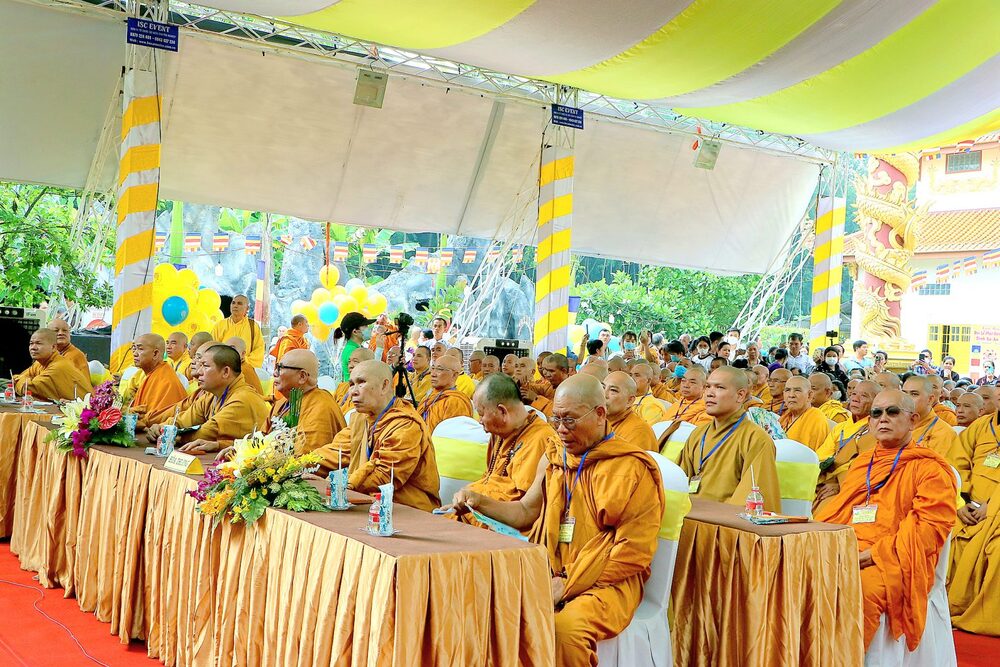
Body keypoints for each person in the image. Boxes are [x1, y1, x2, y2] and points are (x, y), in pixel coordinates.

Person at [446, 374, 664, 665]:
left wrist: (569, 583)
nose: (560, 430)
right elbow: (525, 512)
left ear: (599, 414)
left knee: (565, 629)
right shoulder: (554, 457)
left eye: (570, 421)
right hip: (550, 567)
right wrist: (479, 501)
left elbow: (634, 551)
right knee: (486, 597)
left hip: (607, 583)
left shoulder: (631, 468)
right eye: (556, 419)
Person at [815, 390, 956, 651]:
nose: (883, 419)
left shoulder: (930, 468)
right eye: (876, 413)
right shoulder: (863, 462)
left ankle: (846, 657)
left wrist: (873, 555)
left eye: (892, 412)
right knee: (801, 572)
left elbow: (928, 531)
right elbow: (839, 512)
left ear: (913, 420)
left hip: (891, 558)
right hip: (847, 545)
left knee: (858, 590)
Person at [315, 361, 440, 510]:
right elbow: (335, 452)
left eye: (361, 383)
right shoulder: (362, 420)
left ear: (384, 386)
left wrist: (342, 484)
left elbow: (385, 475)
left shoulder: (406, 425)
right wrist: (297, 466)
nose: (353, 392)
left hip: (405, 509)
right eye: (351, 384)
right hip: (365, 500)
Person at [450, 373, 557, 521]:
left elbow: (522, 506)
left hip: (506, 524)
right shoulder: (499, 434)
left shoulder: (541, 438)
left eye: (481, 414)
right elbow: (488, 479)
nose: (479, 421)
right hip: (481, 512)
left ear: (502, 411)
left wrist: (477, 500)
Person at [677, 366, 780, 510]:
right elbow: (677, 484)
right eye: (707, 387)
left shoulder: (756, 439)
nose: (709, 394)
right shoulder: (698, 434)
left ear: (740, 395)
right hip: (688, 516)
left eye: (719, 387)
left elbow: (751, 500)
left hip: (725, 524)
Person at [149, 344, 269, 452]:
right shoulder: (211, 395)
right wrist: (162, 427)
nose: (198, 372)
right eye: (200, 365)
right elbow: (183, 420)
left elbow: (205, 433)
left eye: (205, 366)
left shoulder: (242, 398)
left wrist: (169, 434)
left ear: (226, 372)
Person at [949, 408, 1000, 635]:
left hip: (996, 510)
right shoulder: (980, 426)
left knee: (996, 549)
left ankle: (982, 616)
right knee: (945, 532)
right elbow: (955, 466)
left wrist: (993, 506)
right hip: (968, 505)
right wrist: (962, 501)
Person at [263, 349, 345, 454]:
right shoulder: (282, 402)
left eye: (280, 368)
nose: (274, 373)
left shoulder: (320, 407)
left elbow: (308, 459)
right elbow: (261, 437)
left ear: (302, 376)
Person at [814, 380, 879, 510]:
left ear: (876, 403)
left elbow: (867, 466)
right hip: (825, 481)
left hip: (850, 485)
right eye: (854, 394)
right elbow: (821, 457)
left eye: (864, 396)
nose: (855, 399)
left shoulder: (876, 431)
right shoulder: (840, 428)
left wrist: (840, 483)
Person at [12, 328, 92, 401]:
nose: (33, 347)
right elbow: (21, 378)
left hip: (84, 412)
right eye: (31, 343)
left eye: (38, 343)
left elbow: (27, 387)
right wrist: (18, 380)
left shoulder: (59, 366)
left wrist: (17, 380)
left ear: (53, 347)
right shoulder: (39, 363)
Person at [130, 334, 187, 428]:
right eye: (134, 348)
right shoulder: (150, 375)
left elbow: (157, 421)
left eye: (140, 349)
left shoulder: (166, 381)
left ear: (155, 353)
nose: (135, 353)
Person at [901, 375, 962, 464]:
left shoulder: (943, 432)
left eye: (914, 394)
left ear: (930, 399)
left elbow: (932, 468)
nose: (907, 399)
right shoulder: (895, 424)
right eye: (904, 393)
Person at [417, 353, 474, 434]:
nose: (433, 374)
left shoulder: (456, 402)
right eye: (433, 368)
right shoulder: (429, 397)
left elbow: (452, 437)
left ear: (454, 375)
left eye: (439, 369)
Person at [603, 371, 657, 451]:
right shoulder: (598, 421)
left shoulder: (639, 432)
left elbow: (626, 463)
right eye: (603, 387)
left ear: (629, 401)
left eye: (613, 390)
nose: (604, 394)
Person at [779, 376, 831, 452]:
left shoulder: (816, 418)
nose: (791, 395)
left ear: (809, 395)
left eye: (797, 390)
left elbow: (812, 455)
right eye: (787, 390)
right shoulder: (784, 417)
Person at [211, 295, 264, 369]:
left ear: (247, 308)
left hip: (245, 367)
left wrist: (244, 360)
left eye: (239, 303)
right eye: (233, 303)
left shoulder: (253, 326)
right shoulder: (220, 325)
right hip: (223, 367)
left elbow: (259, 350)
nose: (235, 306)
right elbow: (213, 346)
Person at [333, 312, 375, 382]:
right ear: (355, 332)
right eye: (365, 326)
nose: (369, 329)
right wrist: (380, 348)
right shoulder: (352, 351)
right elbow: (371, 371)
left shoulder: (355, 347)